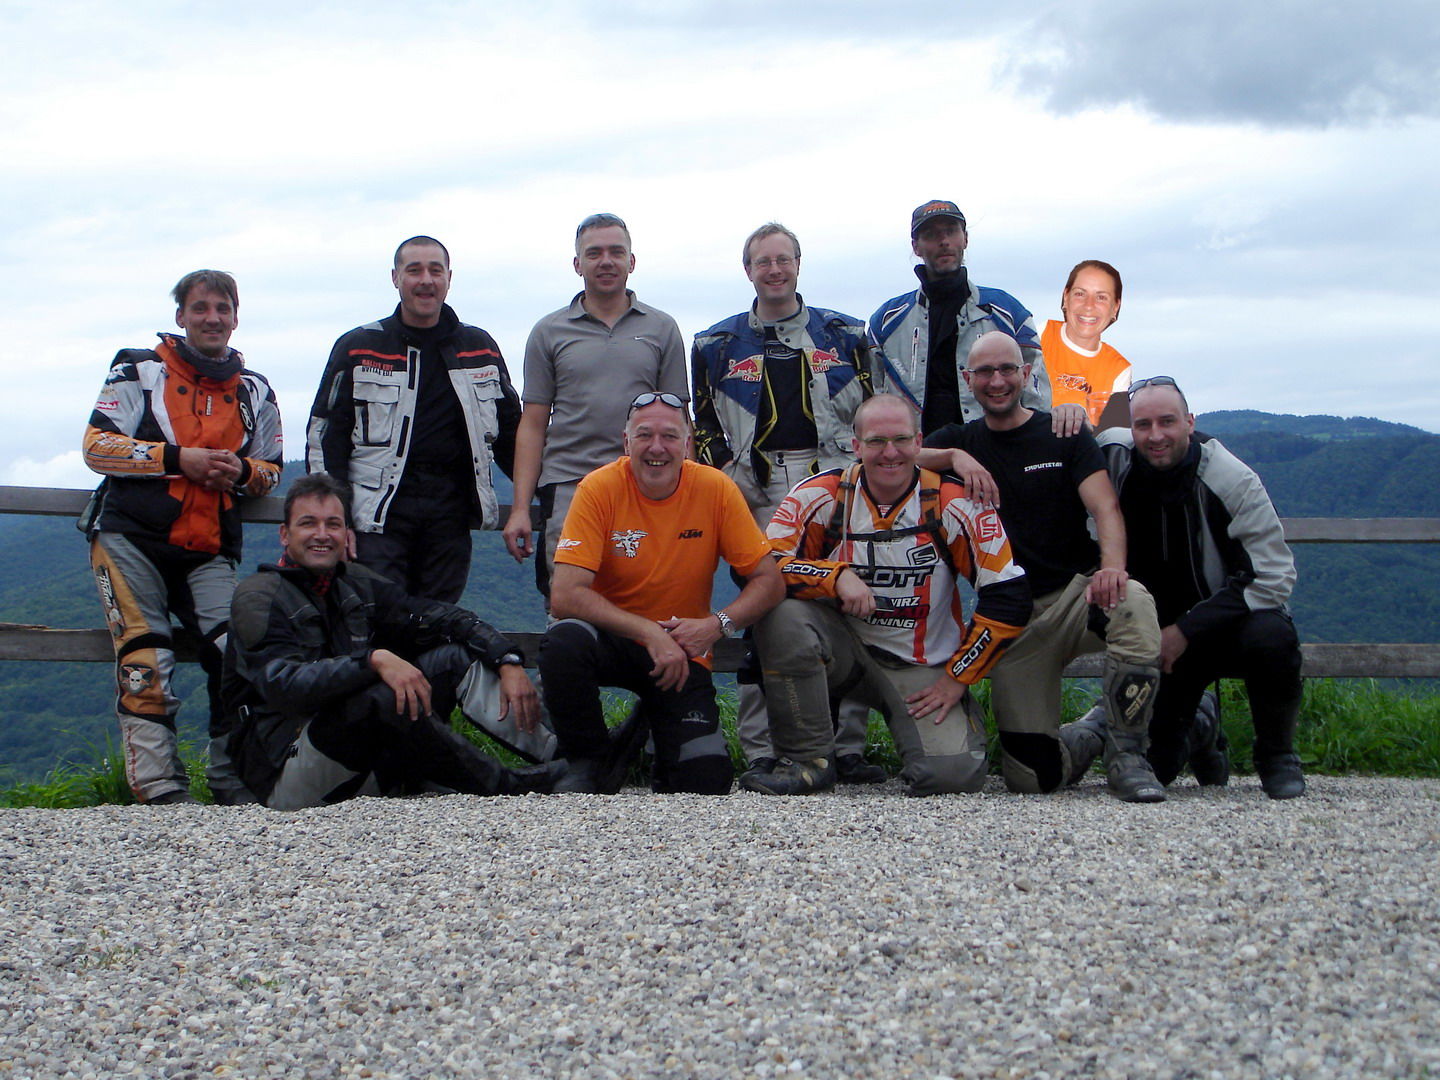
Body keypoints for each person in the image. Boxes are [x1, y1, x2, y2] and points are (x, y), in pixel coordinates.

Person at [921, 332, 1167, 803]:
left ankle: (1129, 755)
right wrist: (952, 457)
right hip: (1012, 620)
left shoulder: (1063, 433)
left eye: (1007, 369)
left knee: (1132, 603)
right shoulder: (959, 441)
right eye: (985, 372)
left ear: (1026, 373)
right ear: (968, 379)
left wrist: (1112, 568)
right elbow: (887, 456)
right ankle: (1094, 731)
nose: (997, 381)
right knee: (1032, 779)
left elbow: (1105, 508)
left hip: (1077, 595)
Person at [745, 395, 1031, 796]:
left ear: (919, 442)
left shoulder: (954, 502)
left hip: (919, 664)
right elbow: (764, 568)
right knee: (783, 617)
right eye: (876, 441)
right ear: (856, 446)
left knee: (951, 777)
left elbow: (1009, 595)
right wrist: (834, 577)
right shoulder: (819, 495)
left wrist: (958, 677)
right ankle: (808, 761)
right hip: (842, 653)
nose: (890, 453)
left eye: (900, 440)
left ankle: (945, 733)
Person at [224, 473, 560, 810]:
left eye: (333, 524)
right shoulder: (259, 597)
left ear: (346, 533)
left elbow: (440, 617)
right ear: (285, 534)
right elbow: (283, 686)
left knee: (452, 659)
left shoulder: (354, 584)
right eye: (308, 523)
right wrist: (372, 661)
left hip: (356, 755)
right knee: (383, 695)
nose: (322, 534)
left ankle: (564, 759)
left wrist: (506, 659)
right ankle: (507, 785)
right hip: (284, 769)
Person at [82, 269, 282, 806]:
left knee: (236, 650)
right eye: (201, 308)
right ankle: (160, 788)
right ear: (181, 316)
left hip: (208, 545)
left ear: (235, 318)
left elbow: (270, 468)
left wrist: (241, 472)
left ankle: (231, 777)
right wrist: (178, 459)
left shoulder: (255, 390)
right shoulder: (137, 370)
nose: (212, 318)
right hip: (129, 538)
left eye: (222, 308)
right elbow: (97, 446)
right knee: (145, 655)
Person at [691, 222, 879, 780]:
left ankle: (847, 746)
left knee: (846, 597)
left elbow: (872, 407)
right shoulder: (715, 344)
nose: (774, 270)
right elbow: (702, 417)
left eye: (783, 259)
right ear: (747, 270)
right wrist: (725, 474)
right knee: (763, 603)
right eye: (763, 261)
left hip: (838, 478)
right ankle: (762, 746)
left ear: (799, 263)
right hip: (756, 483)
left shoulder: (846, 333)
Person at [537, 392, 785, 794]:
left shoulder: (715, 488)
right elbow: (565, 595)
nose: (657, 447)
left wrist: (716, 625)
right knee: (563, 643)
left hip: (683, 649)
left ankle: (654, 735)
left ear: (686, 444)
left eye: (669, 436)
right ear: (626, 442)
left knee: (704, 782)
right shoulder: (598, 487)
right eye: (644, 435)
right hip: (612, 639)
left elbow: (769, 581)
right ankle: (589, 761)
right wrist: (649, 632)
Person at [1085, 377, 1305, 799]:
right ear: (1131, 429)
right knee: (1160, 768)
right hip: (1152, 633)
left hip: (1220, 626)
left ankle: (1277, 756)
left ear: (1190, 422)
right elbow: (1062, 455)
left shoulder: (1231, 479)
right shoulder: (1114, 457)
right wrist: (1065, 414)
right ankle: (1202, 728)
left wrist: (1186, 630)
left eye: (1167, 422)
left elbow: (1274, 575)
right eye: (1143, 425)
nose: (1156, 436)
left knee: (1273, 636)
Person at [306, 236, 521, 603]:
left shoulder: (479, 348)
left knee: (438, 617)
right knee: (380, 613)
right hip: (377, 514)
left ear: (449, 278)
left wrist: (541, 496)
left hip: (450, 516)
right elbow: (326, 437)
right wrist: (334, 520)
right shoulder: (358, 347)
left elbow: (512, 436)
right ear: (395, 278)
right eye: (414, 270)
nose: (426, 280)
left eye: (435, 271)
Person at [502, 213, 688, 599]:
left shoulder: (662, 328)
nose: (606, 261)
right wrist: (520, 508)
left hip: (644, 482)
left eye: (616, 252)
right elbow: (533, 424)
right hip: (569, 484)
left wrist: (687, 492)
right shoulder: (548, 332)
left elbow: (680, 420)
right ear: (577, 264)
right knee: (567, 598)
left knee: (646, 594)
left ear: (631, 262)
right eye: (594, 253)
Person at [870, 200, 1071, 436]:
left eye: (951, 231)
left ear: (965, 238)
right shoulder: (885, 321)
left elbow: (1036, 395)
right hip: (915, 453)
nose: (944, 241)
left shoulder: (1009, 312)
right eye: (931, 234)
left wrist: (1029, 443)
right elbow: (872, 401)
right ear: (916, 246)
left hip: (993, 449)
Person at [1042, 260, 1131, 428]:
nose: (1089, 306)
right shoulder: (1039, 334)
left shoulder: (1119, 370)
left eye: (1101, 297)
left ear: (1115, 308)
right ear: (1066, 297)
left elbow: (1113, 433)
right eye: (1080, 294)